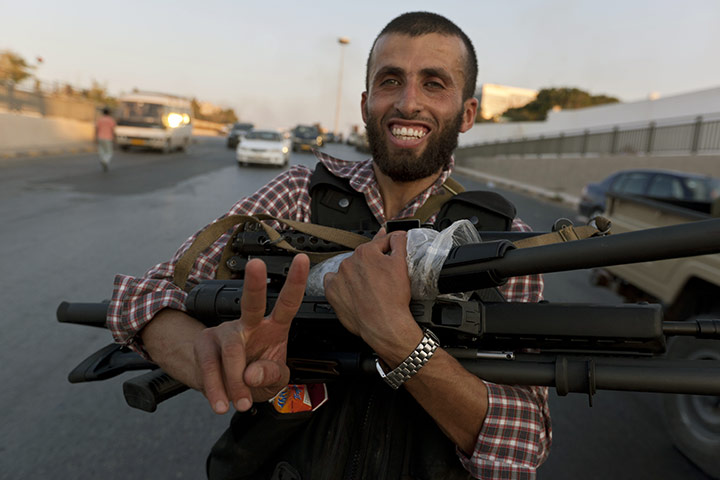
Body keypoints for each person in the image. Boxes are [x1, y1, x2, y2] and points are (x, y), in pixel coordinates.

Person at [108, 11, 551, 479]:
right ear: (365, 104)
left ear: (467, 114)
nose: (408, 102)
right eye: (390, 80)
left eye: (434, 84)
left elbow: (523, 441)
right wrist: (211, 357)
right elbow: (145, 295)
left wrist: (399, 340)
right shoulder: (298, 196)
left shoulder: (504, 242)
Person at [95, 107, 116, 171]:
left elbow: (96, 128)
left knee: (101, 150)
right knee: (109, 152)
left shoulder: (100, 119)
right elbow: (113, 129)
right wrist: (114, 138)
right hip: (108, 138)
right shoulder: (111, 120)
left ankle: (102, 159)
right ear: (109, 113)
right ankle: (105, 161)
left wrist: (95, 137)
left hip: (100, 137)